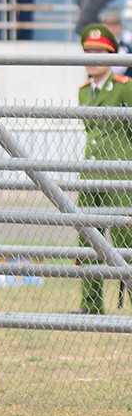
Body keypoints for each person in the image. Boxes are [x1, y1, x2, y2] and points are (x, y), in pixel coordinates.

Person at [76, 23, 132, 314]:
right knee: (88, 240)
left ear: (112, 55)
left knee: (127, 242)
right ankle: (91, 305)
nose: (93, 57)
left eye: (99, 52)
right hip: (90, 177)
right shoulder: (83, 92)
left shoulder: (125, 89)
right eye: (88, 51)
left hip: (120, 177)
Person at [101, 11, 132, 77]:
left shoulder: (126, 49)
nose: (111, 28)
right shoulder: (97, 47)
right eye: (108, 25)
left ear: (120, 26)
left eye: (114, 25)